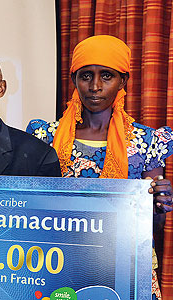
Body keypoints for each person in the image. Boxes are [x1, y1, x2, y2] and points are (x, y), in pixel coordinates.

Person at [27, 35, 173, 300]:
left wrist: (160, 203)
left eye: (106, 76)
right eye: (86, 76)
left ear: (123, 81)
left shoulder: (147, 141)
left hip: (125, 266)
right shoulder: (46, 136)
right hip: (59, 265)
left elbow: (154, 221)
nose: (95, 86)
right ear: (73, 80)